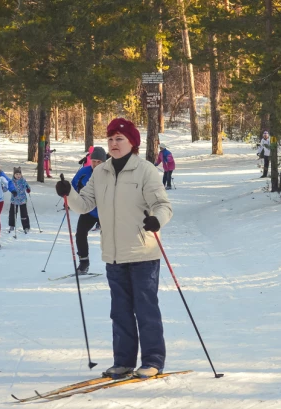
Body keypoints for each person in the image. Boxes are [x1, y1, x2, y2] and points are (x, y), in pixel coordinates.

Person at [55, 118, 172, 379]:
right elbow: (85, 204)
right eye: (110, 139)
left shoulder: (146, 171)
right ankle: (123, 361)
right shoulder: (101, 172)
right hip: (114, 255)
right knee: (119, 311)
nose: (114, 143)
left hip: (143, 252)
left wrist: (157, 219)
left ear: (132, 143)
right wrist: (68, 193)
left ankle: (153, 360)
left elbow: (163, 205)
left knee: (145, 309)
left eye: (119, 139)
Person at [70, 147, 107, 274]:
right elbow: (73, 185)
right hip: (89, 210)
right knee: (80, 233)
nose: (96, 164)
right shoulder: (84, 172)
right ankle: (84, 262)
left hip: (106, 211)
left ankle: (115, 263)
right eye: (94, 161)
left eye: (99, 162)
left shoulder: (110, 173)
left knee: (110, 237)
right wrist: (70, 196)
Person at [9, 167, 31, 234]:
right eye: (16, 174)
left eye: (19, 174)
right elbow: (9, 187)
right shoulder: (12, 181)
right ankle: (12, 225)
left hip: (22, 200)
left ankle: (26, 227)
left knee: (24, 213)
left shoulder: (23, 181)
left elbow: (27, 186)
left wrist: (28, 189)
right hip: (14, 199)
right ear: (14, 175)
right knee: (12, 213)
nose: (18, 176)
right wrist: (12, 191)